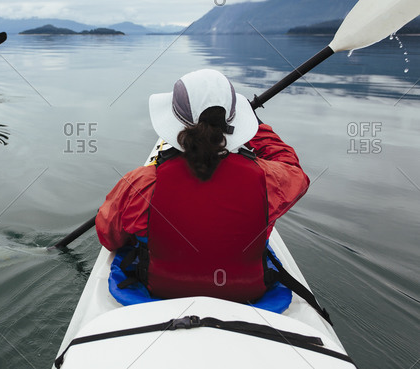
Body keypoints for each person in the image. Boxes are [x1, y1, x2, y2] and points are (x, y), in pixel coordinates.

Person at [95, 69, 310, 303]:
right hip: (248, 295)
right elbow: (293, 169)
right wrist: (258, 129)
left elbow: (109, 237)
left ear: (175, 123)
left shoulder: (140, 184)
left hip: (162, 293)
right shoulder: (269, 180)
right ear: (232, 123)